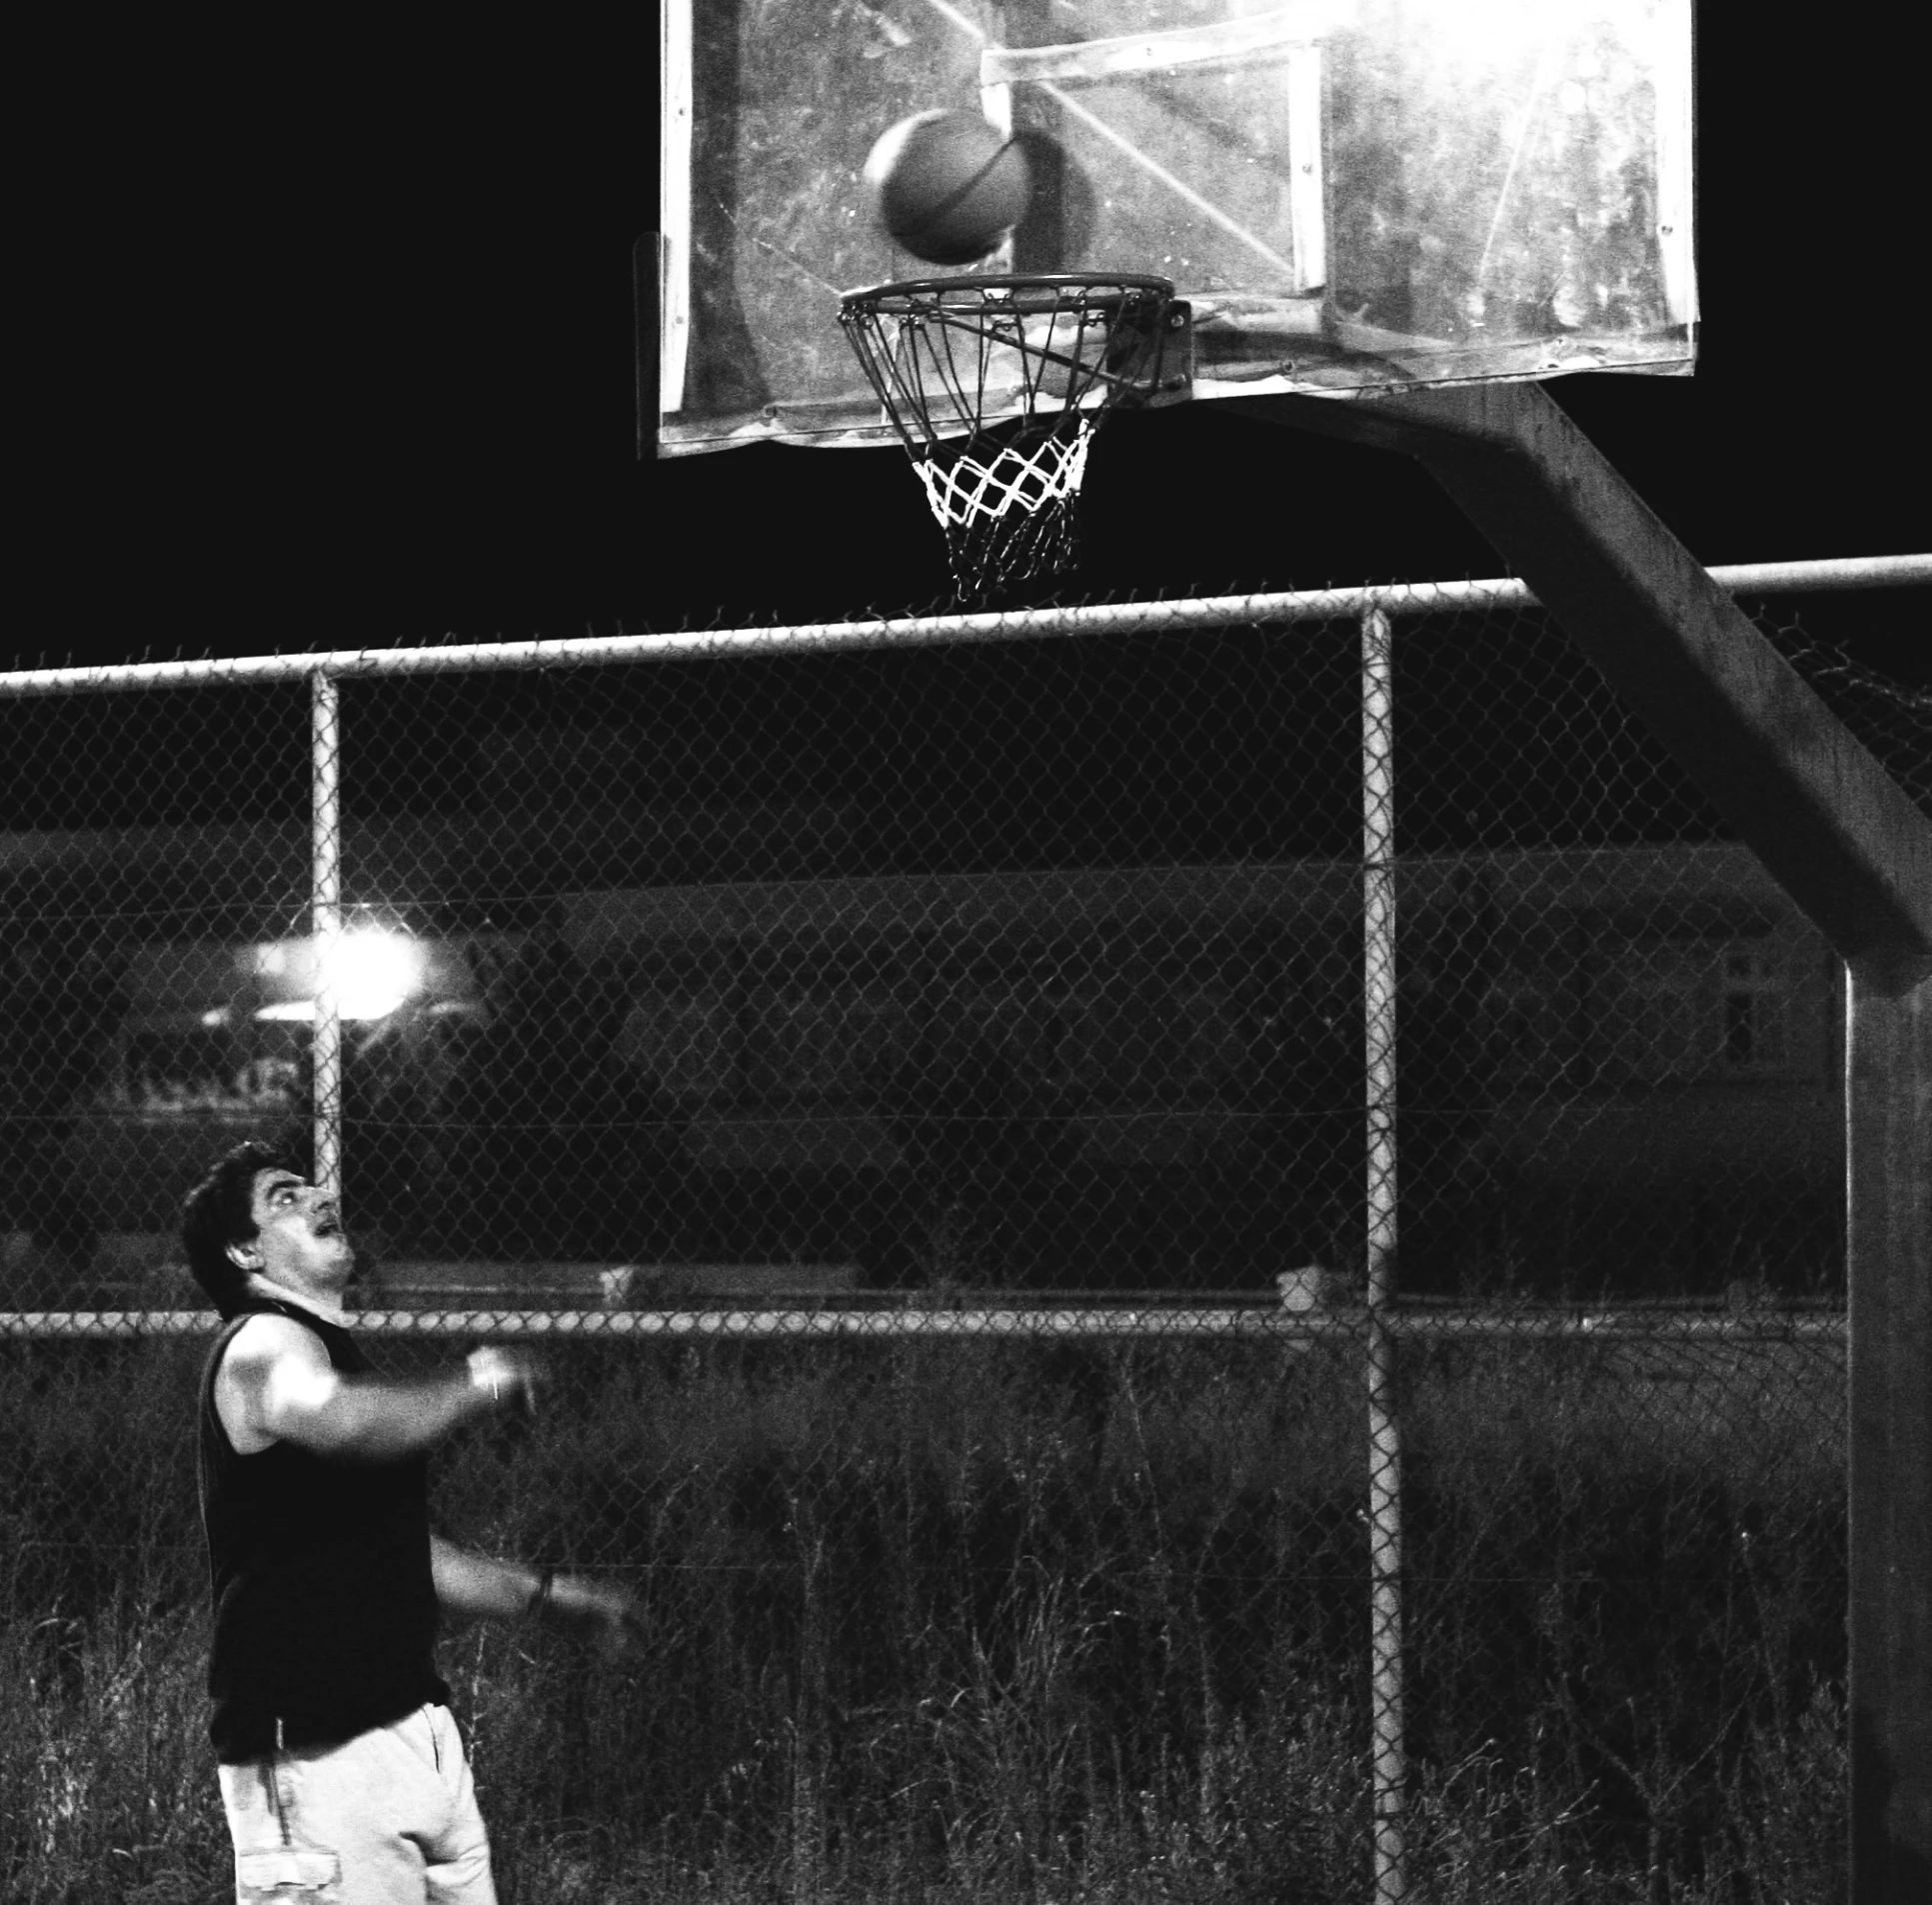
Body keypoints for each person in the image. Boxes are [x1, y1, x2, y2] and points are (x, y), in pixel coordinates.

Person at [182, 1137, 637, 1903]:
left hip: (411, 1736)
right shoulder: (262, 1345)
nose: (319, 1198)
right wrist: (479, 1381)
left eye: (312, 1187)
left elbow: (400, 1553)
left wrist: (553, 1598)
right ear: (244, 1251)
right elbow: (347, 1423)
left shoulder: (329, 1353)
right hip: (318, 1754)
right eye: (282, 1199)